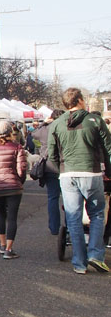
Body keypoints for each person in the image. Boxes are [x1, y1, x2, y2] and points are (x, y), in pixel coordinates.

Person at [48, 88, 111, 274]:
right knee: (98, 214)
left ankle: (79, 263)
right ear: (81, 100)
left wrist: (62, 168)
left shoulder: (57, 123)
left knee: (73, 218)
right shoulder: (95, 121)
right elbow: (108, 149)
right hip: (91, 173)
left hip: (67, 175)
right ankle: (95, 255)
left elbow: (52, 154)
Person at [0, 120, 27, 259]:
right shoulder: (17, 147)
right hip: (14, 186)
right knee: (12, 217)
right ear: (9, 131)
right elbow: (22, 168)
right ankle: (9, 249)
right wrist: (20, 180)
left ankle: (2, 245)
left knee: (0, 215)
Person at [32, 109, 64, 236]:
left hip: (49, 166)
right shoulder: (64, 127)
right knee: (69, 199)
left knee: (53, 197)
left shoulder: (45, 129)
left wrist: (43, 123)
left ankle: (54, 227)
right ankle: (70, 226)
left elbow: (34, 134)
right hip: (64, 165)